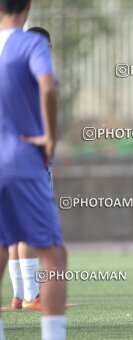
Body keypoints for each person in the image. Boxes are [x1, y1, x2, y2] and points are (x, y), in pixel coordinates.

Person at [0, 1, 67, 339]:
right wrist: (49, 139)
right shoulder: (30, 43)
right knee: (53, 254)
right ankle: (46, 323)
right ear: (27, 7)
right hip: (21, 159)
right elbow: (47, 85)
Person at [7, 26, 52, 312]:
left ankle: (19, 295)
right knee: (29, 231)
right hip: (27, 163)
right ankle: (32, 296)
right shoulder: (34, 82)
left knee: (12, 232)